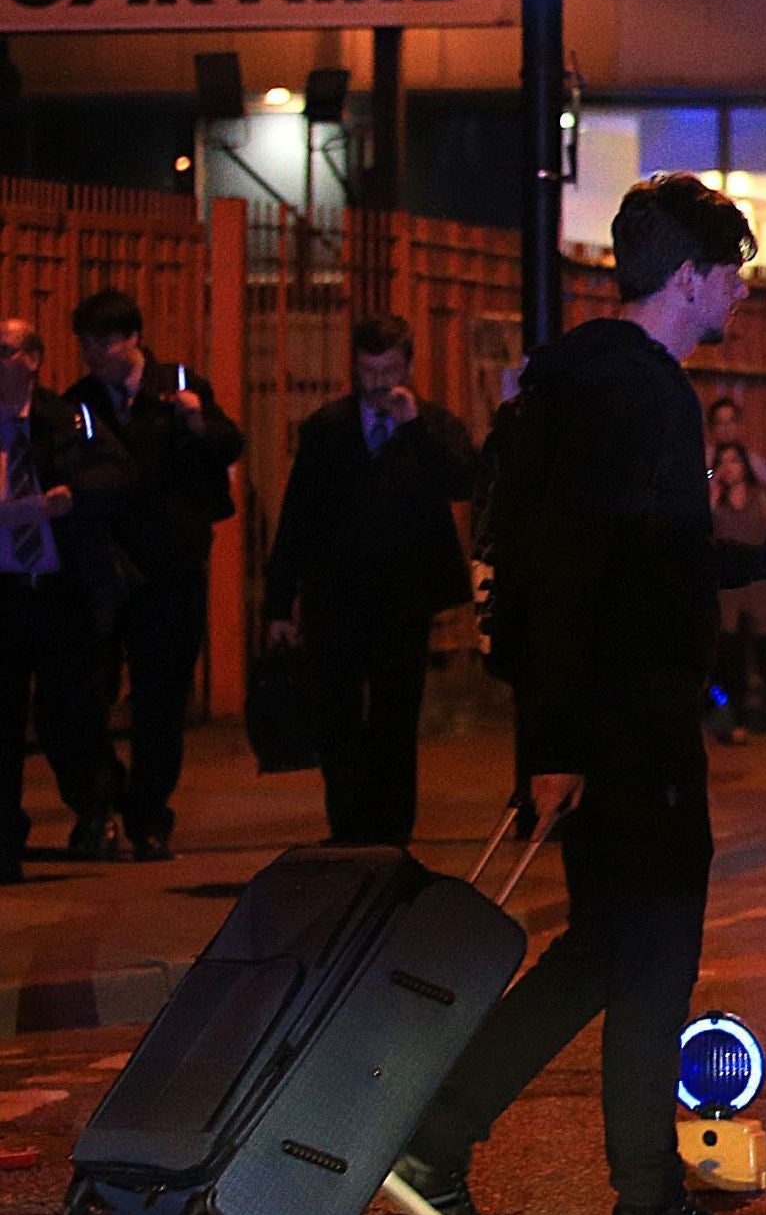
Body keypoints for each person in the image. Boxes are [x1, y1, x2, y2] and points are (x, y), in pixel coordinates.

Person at [380, 174, 766, 1215]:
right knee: (655, 950)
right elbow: (584, 577)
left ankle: (446, 1141)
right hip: (625, 728)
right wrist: (560, 747)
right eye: (730, 271)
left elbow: (621, 562)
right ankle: (638, 1207)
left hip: (599, 723)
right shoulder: (644, 397)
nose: (738, 291)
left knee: (604, 953)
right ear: (687, 277)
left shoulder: (579, 385)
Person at [261, 316, 483, 847]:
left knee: (395, 717)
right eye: (368, 370)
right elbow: (298, 517)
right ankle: (348, 827)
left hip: (403, 598)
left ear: (406, 366)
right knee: (336, 717)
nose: (378, 381)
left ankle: (391, 830)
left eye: (388, 369)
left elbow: (462, 481)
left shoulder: (431, 424)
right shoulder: (327, 429)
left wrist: (413, 427)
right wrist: (278, 604)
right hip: (334, 594)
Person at [60, 288, 243, 862]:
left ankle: (149, 815)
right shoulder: (81, 399)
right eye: (86, 344)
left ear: (133, 339)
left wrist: (196, 421)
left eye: (104, 343)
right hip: (103, 567)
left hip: (170, 565)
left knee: (160, 699)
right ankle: (99, 796)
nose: (94, 355)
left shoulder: (180, 383)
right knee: (82, 693)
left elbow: (228, 443)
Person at [0, 318, 134, 887]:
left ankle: (96, 807)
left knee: (69, 716)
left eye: (4, 350)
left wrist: (69, 497)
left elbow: (119, 469)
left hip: (59, 593)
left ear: (32, 359)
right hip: (4, 591)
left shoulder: (66, 418)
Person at [707, 442, 766, 742]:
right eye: (723, 461)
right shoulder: (714, 501)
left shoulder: (764, 498)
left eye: (735, 460)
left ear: (745, 464)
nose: (729, 466)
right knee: (732, 661)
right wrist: (712, 499)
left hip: (763, 591)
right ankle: (736, 720)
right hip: (729, 596)